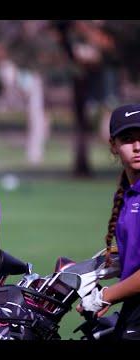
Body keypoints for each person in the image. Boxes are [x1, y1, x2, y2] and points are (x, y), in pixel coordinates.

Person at [77, 104, 140, 340]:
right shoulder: (127, 192)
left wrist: (106, 295)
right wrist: (114, 266)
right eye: (127, 139)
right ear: (113, 145)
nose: (137, 147)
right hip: (132, 309)